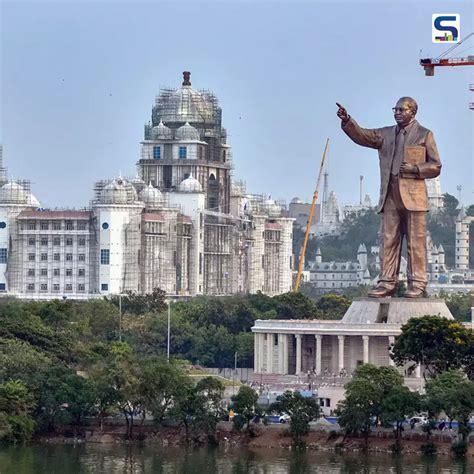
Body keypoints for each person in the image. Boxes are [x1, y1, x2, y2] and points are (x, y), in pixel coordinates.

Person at [337, 98, 441, 298]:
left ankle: (417, 283)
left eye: (402, 109)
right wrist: (348, 121)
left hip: (414, 198)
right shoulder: (385, 134)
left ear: (413, 112)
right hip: (390, 195)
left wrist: (416, 169)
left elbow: (436, 166)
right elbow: (363, 136)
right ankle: (387, 282)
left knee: (416, 242)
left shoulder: (424, 134)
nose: (397, 112)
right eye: (395, 109)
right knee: (388, 240)